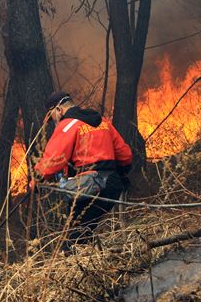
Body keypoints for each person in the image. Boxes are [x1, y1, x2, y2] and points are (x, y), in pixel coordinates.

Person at [33, 91, 133, 247]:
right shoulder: (103, 122)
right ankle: (94, 260)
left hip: (90, 186)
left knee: (73, 239)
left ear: (59, 110)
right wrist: (122, 172)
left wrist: (37, 178)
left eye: (52, 116)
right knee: (85, 230)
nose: (54, 121)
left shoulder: (68, 125)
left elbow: (54, 159)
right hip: (112, 185)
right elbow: (125, 155)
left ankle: (81, 264)